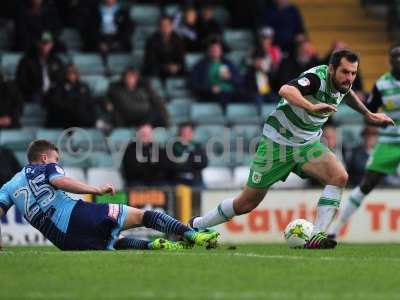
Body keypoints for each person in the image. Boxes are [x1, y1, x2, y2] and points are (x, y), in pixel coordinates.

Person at [189, 49, 394, 249]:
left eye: (353, 73)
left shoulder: (342, 85)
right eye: (345, 72)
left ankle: (317, 236)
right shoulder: (316, 79)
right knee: (245, 203)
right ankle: (195, 226)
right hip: (277, 145)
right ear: (331, 69)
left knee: (339, 176)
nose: (349, 78)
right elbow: (286, 90)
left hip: (307, 145)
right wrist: (311, 107)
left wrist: (369, 114)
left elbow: (347, 94)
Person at [0, 140, 219, 251]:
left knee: (112, 239)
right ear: (45, 157)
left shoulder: (9, 186)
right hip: (76, 215)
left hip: (62, 241)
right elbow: (60, 181)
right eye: (56, 159)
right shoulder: (46, 168)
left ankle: (154, 246)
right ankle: (192, 234)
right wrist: (95, 190)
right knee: (143, 216)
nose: (57, 163)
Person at [328, 45, 400, 238]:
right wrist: (378, 121)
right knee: (367, 184)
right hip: (388, 142)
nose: (399, 60)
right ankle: (335, 230)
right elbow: (368, 114)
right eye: (396, 57)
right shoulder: (382, 85)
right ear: (390, 61)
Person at [189, 38, 241, 108]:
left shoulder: (229, 64)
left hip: (230, 94)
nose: (215, 51)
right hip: (209, 94)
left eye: (217, 49)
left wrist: (229, 77)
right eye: (212, 49)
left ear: (221, 51)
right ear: (208, 51)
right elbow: (194, 83)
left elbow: (239, 81)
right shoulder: (200, 66)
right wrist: (210, 89)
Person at [16, 31, 65, 103]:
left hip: (53, 94)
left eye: (48, 43)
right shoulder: (27, 60)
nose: (45, 46)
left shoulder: (56, 61)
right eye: (43, 43)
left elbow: (61, 78)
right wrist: (36, 89)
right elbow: (22, 80)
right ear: (38, 43)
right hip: (34, 93)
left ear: (52, 44)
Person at [44, 63, 96, 128]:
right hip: (64, 120)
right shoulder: (59, 87)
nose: (72, 74)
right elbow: (58, 104)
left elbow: (90, 103)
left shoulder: (84, 87)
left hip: (82, 120)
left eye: (74, 72)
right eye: (69, 72)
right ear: (65, 73)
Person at [143, 16, 185, 80]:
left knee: (184, 71)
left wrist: (177, 66)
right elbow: (150, 60)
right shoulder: (151, 40)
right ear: (159, 27)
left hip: (174, 68)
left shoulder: (178, 39)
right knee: (152, 71)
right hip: (158, 68)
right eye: (162, 25)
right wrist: (166, 67)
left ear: (171, 26)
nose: (165, 28)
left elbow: (181, 58)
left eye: (167, 25)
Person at [168, 122, 208, 187]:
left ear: (192, 134)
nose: (186, 135)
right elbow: (173, 166)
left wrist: (188, 162)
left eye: (188, 133)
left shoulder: (198, 147)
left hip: (195, 179)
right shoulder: (173, 148)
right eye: (183, 133)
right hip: (178, 180)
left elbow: (203, 163)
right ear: (179, 134)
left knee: (200, 187)